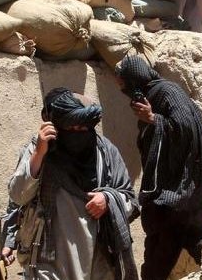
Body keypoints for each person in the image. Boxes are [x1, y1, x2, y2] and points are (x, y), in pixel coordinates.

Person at [8, 88, 139, 280]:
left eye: (83, 129)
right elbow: (18, 195)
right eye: (71, 129)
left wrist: (108, 199)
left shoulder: (105, 152)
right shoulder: (41, 148)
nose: (77, 134)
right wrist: (39, 153)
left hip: (98, 258)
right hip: (49, 259)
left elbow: (130, 200)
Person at [115, 56, 202, 280]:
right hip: (170, 190)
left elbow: (187, 129)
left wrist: (153, 118)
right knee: (175, 246)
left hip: (179, 191)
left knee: (162, 255)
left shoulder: (168, 92)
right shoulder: (155, 93)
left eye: (124, 84)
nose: (124, 90)